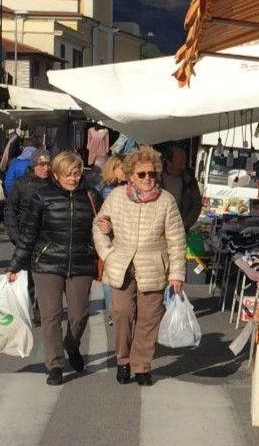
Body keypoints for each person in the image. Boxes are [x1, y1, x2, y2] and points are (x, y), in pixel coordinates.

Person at [94, 146, 186, 386]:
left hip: (153, 264)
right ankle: (123, 360)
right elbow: (99, 224)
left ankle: (142, 364)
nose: (148, 179)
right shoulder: (116, 197)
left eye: (152, 174)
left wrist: (177, 273)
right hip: (122, 264)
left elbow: (176, 239)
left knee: (149, 318)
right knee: (122, 313)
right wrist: (107, 252)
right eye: (142, 174)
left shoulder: (166, 201)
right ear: (130, 175)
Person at [5, 151, 98, 386]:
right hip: (47, 263)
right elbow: (28, 235)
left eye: (76, 173)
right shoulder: (41, 196)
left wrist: (105, 226)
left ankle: (72, 344)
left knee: (79, 315)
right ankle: (55, 364)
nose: (73, 178)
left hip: (80, 262)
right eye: (67, 174)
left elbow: (103, 227)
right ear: (56, 175)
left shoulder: (91, 196)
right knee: (51, 316)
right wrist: (16, 265)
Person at [4, 149, 51, 323]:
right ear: (33, 165)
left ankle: (41, 307)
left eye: (48, 164)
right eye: (42, 164)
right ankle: (27, 306)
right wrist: (14, 234)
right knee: (27, 276)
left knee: (46, 276)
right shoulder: (21, 183)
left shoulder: (54, 184)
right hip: (25, 237)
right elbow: (10, 209)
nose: (46, 168)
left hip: (48, 237)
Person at [97, 154, 126, 324]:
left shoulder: (129, 188)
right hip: (107, 237)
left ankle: (117, 309)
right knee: (108, 276)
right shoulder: (104, 189)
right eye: (121, 167)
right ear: (113, 169)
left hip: (122, 236)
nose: (124, 171)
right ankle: (112, 311)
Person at [161, 145, 202, 231]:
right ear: (169, 162)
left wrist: (186, 223)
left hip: (179, 229)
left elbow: (197, 203)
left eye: (184, 163)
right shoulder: (155, 178)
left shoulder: (189, 180)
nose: (183, 167)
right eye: (180, 163)